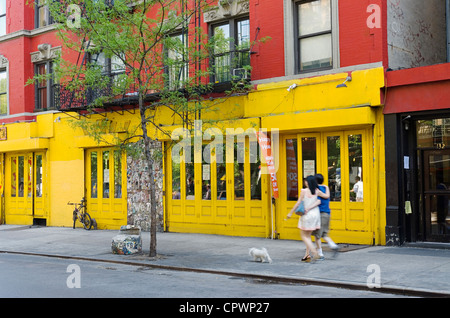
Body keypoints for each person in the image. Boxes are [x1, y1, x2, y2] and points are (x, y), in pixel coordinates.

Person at [286, 175, 323, 262]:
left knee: (304, 236)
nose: (304, 182)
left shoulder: (304, 191)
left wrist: (290, 212)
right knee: (308, 235)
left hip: (306, 215)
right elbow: (323, 198)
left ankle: (314, 252)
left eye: (305, 181)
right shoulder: (317, 191)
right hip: (315, 215)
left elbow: (298, 203)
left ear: (308, 182)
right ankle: (307, 255)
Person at [311, 173, 339, 259]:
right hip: (327, 213)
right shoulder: (326, 187)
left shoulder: (316, 189)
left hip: (320, 214)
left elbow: (319, 199)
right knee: (324, 234)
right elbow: (327, 196)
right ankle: (333, 246)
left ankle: (320, 254)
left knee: (317, 235)